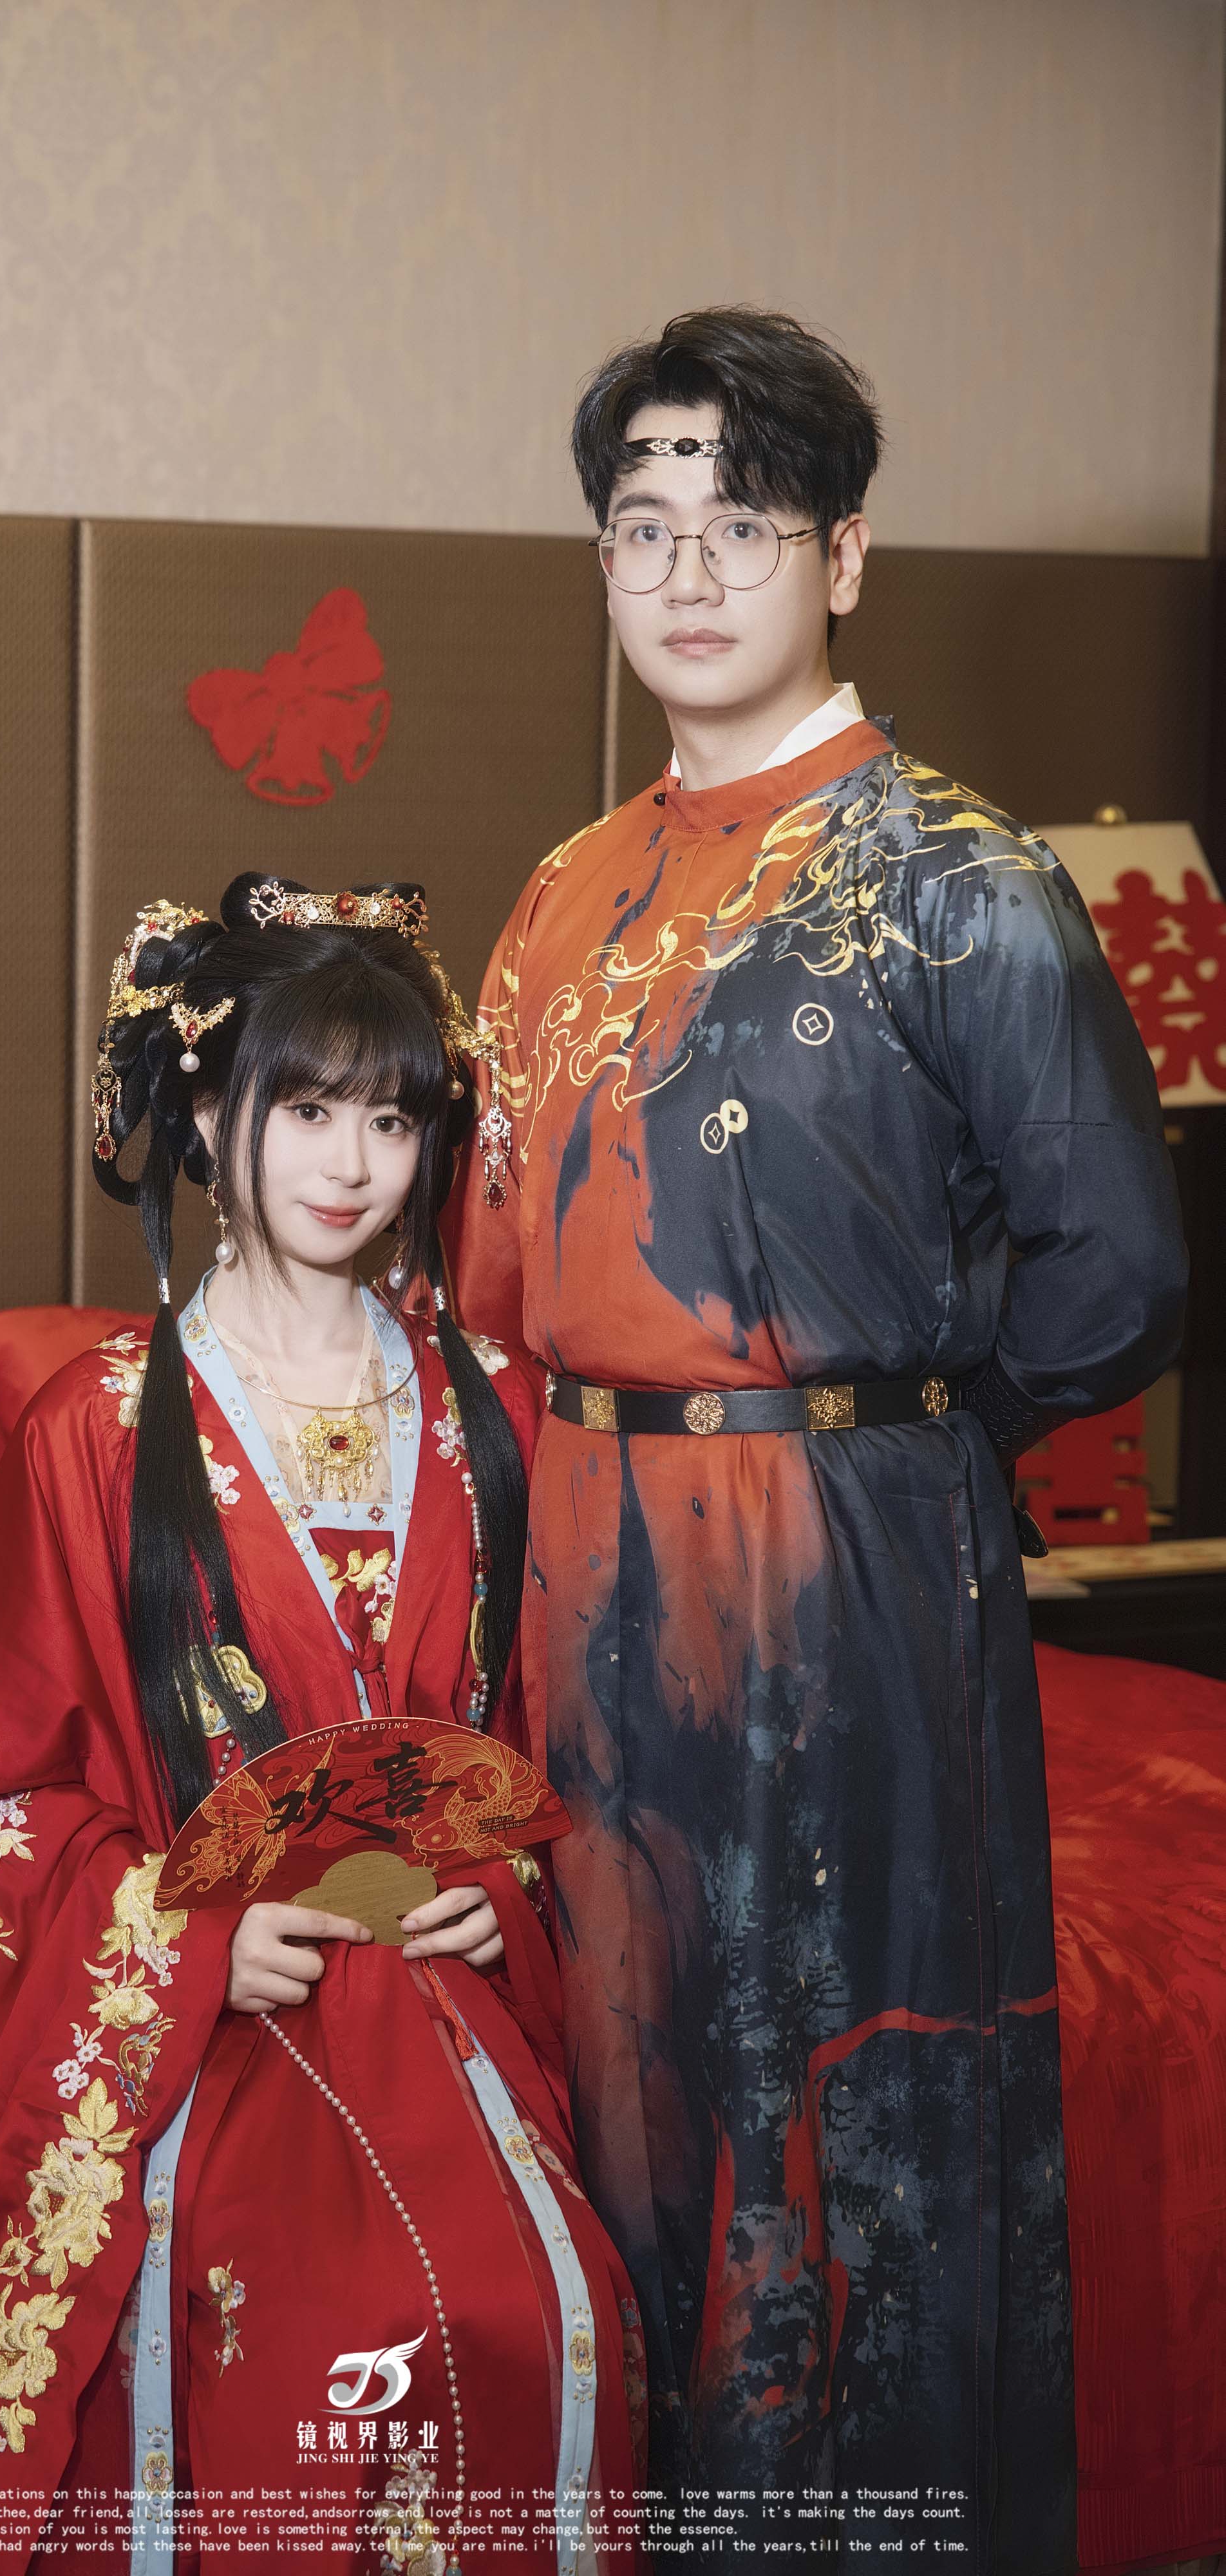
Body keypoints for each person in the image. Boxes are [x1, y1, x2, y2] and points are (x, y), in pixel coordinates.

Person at [447, 308, 1188, 2574]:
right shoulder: (562, 883)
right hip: (585, 1564)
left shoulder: (957, 876)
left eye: (744, 525)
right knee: (628, 2066)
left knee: (837, 2089)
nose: (688, 574)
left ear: (842, 557)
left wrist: (893, 1433)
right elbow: (492, 1285)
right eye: (642, 527)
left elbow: (1117, 1270)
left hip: (841, 1566)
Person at [0, 875, 642, 2576]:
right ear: (208, 1120)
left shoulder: (497, 1415)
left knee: (538, 2303)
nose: (351, 1164)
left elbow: (572, 1745)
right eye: (304, 1111)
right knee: (311, 2316)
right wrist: (182, 1932)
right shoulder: (89, 1431)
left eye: (390, 1119)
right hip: (213, 2001)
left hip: (444, 1975)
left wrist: (505, 1885)